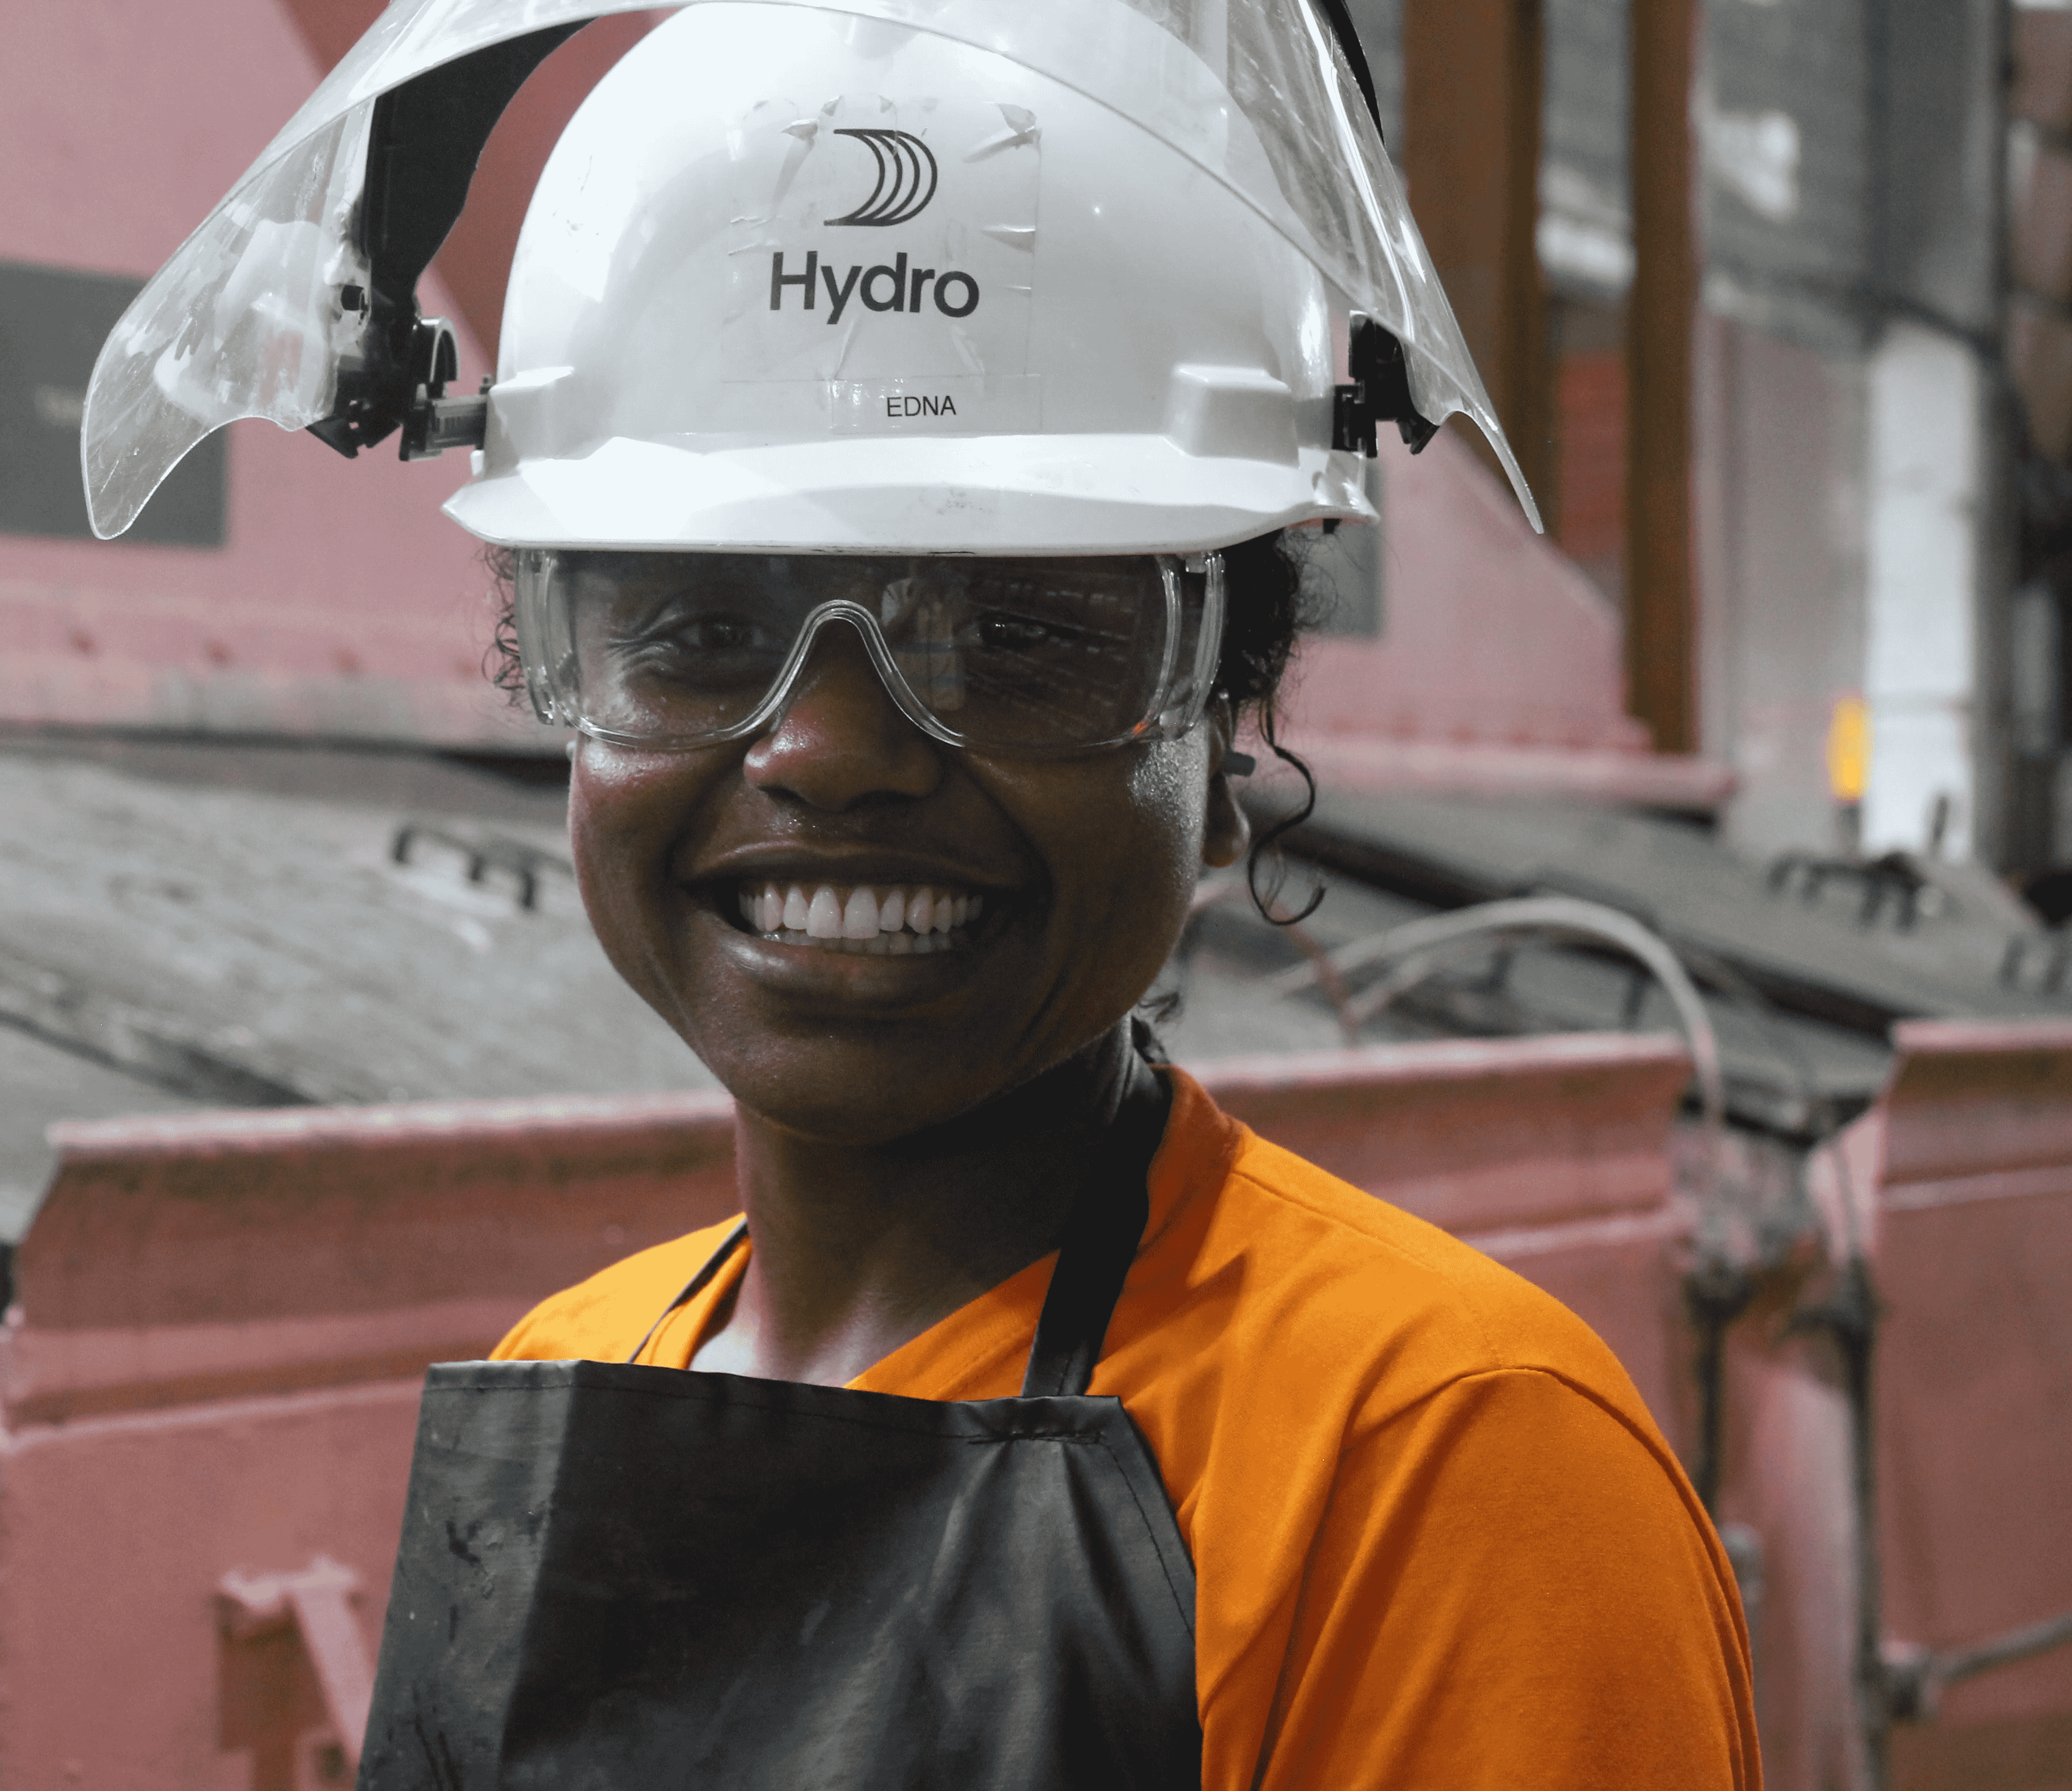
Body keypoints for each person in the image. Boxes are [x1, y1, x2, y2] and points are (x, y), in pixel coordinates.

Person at [84, 3, 1762, 1786]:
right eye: (696, 632)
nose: (829, 751)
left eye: (1022, 636)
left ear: (1223, 742)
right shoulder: (583, 1369)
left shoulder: (1439, 1461)